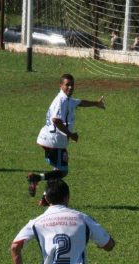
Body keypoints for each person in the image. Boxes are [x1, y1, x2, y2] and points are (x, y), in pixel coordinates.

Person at [27, 73, 105, 206]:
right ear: (60, 85)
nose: (70, 87)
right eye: (67, 85)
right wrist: (71, 134)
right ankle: (36, 179)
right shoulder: (61, 100)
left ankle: (45, 198)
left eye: (72, 85)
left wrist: (96, 103)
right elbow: (56, 120)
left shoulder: (68, 100)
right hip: (54, 141)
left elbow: (79, 102)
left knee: (57, 171)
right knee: (62, 172)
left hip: (52, 141)